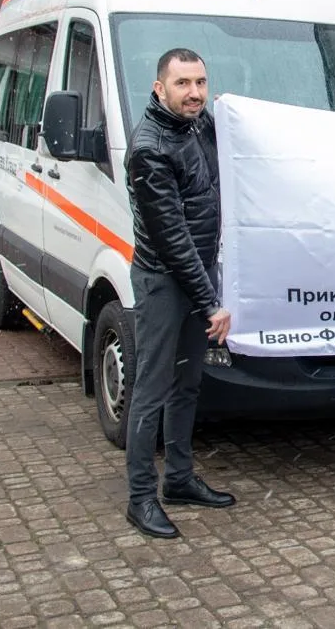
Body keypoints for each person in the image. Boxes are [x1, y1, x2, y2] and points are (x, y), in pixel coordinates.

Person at [124, 47, 235, 539]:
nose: (194, 93)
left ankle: (180, 480)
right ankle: (140, 498)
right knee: (151, 390)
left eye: (200, 83)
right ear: (159, 88)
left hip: (197, 272)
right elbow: (171, 239)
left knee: (188, 382)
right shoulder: (149, 148)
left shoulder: (197, 124)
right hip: (163, 280)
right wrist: (209, 300)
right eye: (182, 83)